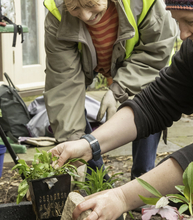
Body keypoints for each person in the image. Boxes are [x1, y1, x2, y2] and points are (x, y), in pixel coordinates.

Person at [49, 0, 193, 219]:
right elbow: (154, 104)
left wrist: (122, 198)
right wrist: (89, 144)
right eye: (177, 21)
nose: (182, 34)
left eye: (191, 21)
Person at [43, 0, 178, 179]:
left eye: (90, 4)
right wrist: (72, 143)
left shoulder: (144, 3)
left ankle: (143, 179)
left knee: (147, 102)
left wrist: (119, 88)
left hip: (146, 68)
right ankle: (97, 180)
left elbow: (154, 54)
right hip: (101, 62)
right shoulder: (58, 14)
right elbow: (64, 84)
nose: (85, 16)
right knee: (71, 114)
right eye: (74, 8)